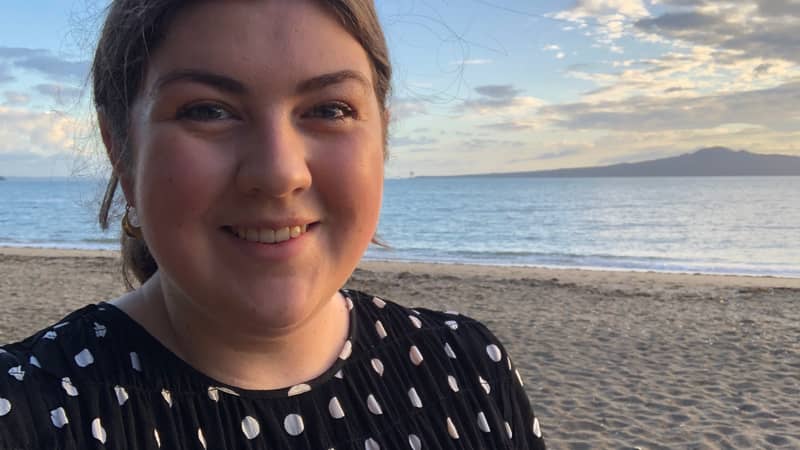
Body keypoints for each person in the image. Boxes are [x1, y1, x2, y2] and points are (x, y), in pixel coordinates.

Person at [0, 1, 546, 448]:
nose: (279, 173)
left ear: (381, 135)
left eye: (330, 109)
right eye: (208, 110)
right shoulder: (26, 411)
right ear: (121, 149)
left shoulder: (469, 369)